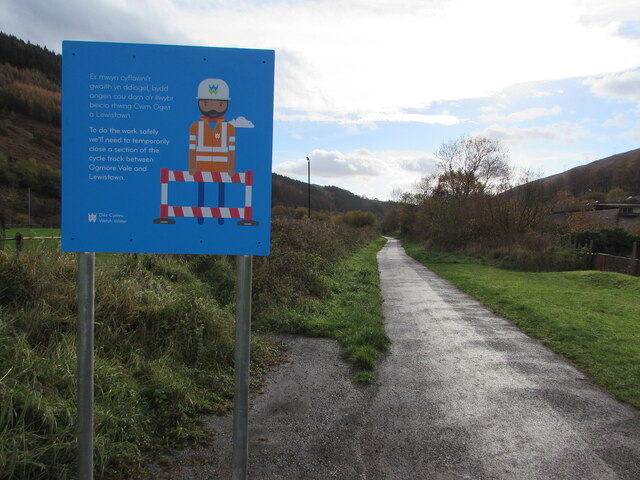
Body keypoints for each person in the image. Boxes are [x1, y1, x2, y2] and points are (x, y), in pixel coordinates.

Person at [189, 78, 236, 224]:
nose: (213, 108)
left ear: (225, 104)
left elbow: (231, 150)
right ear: (200, 103)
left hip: (222, 168)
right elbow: (192, 148)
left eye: (220, 104)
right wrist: (192, 166)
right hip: (201, 166)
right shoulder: (195, 127)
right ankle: (200, 217)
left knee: (221, 193)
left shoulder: (228, 128)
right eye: (206, 104)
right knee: (201, 192)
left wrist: (231, 167)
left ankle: (220, 218)